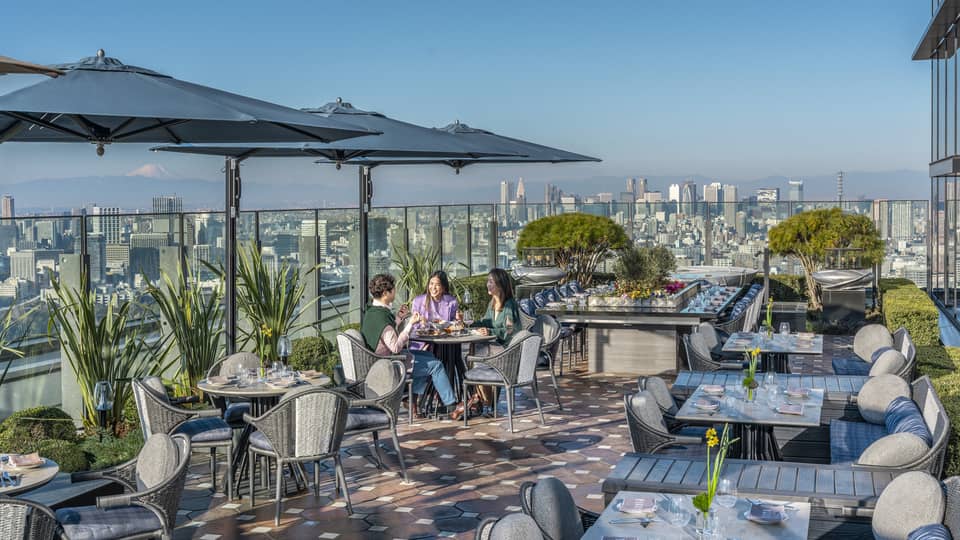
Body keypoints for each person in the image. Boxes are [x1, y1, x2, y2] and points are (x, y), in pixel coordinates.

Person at [360, 273, 466, 419]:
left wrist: (399, 318)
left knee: (429, 356)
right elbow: (395, 346)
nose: (395, 292)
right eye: (393, 290)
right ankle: (452, 406)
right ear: (385, 293)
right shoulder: (382, 317)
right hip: (388, 363)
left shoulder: (373, 311)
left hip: (381, 358)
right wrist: (409, 324)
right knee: (436, 365)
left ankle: (411, 400)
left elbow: (386, 332)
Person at [467, 268, 521, 414]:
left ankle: (482, 400)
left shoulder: (509, 305)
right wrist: (467, 323)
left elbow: (510, 331)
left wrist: (490, 332)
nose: (487, 285)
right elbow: (486, 322)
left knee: (475, 354)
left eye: (491, 282)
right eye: (488, 281)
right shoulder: (492, 304)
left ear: (500, 285)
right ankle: (482, 399)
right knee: (474, 350)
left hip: (507, 351)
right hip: (495, 348)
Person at [410, 270, 459, 351]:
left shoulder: (451, 302)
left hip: (445, 341)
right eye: (431, 284)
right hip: (423, 342)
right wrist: (422, 323)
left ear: (443, 288)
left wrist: (458, 320)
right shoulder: (418, 301)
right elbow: (414, 326)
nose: (433, 287)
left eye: (437, 285)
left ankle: (452, 363)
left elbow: (454, 324)